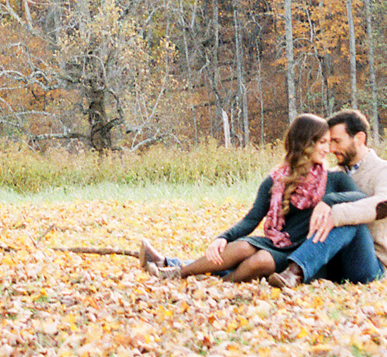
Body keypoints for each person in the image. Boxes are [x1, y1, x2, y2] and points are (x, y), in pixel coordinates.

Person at [136, 113, 363, 284]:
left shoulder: (333, 179)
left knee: (261, 261)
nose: (328, 149)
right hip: (277, 242)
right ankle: (176, 272)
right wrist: (222, 238)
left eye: (329, 142)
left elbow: (361, 197)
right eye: (322, 142)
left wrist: (328, 201)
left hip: (303, 252)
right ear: (306, 143)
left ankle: (221, 283)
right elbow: (250, 220)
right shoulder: (276, 180)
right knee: (243, 247)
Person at [264, 109, 387, 291]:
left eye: (337, 141)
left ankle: (295, 272)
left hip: (369, 266)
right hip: (331, 260)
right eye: (329, 142)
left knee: (348, 222)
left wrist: (335, 212)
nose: (331, 149)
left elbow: (386, 204)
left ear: (359, 138)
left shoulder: (386, 170)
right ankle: (231, 269)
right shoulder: (333, 175)